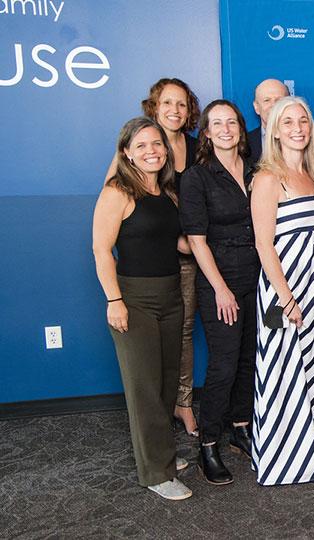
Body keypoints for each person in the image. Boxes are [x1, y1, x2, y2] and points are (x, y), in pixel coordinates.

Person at [250, 96, 314, 486]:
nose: (297, 128)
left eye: (303, 121)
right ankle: (288, 456)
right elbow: (264, 245)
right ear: (274, 129)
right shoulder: (266, 178)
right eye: (288, 122)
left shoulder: (313, 173)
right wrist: (287, 297)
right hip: (287, 289)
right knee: (285, 369)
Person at [92, 117, 193, 500]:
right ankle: (156, 473)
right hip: (134, 298)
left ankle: (161, 454)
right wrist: (114, 300)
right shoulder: (117, 191)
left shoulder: (166, 193)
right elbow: (102, 251)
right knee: (145, 388)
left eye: (157, 144)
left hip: (171, 294)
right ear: (126, 153)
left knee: (166, 381)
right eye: (142, 146)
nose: (152, 151)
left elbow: (178, 244)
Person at [105, 78, 202, 437]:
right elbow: (112, 207)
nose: (174, 110)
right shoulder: (138, 146)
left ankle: (183, 403)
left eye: (181, 104)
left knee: (183, 332)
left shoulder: (197, 147)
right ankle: (160, 422)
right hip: (145, 266)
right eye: (167, 103)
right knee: (149, 355)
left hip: (183, 256)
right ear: (154, 107)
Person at [179, 100, 259, 485]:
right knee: (224, 364)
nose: (225, 129)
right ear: (206, 133)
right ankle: (208, 444)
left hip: (257, 278)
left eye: (232, 122)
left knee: (248, 359)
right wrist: (221, 290)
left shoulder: (256, 170)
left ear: (241, 129)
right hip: (219, 282)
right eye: (217, 124)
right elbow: (196, 240)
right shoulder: (197, 177)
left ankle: (241, 426)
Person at [248, 78, 314, 163]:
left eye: (280, 100)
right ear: (256, 107)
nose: (274, 105)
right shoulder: (244, 144)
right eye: (267, 100)